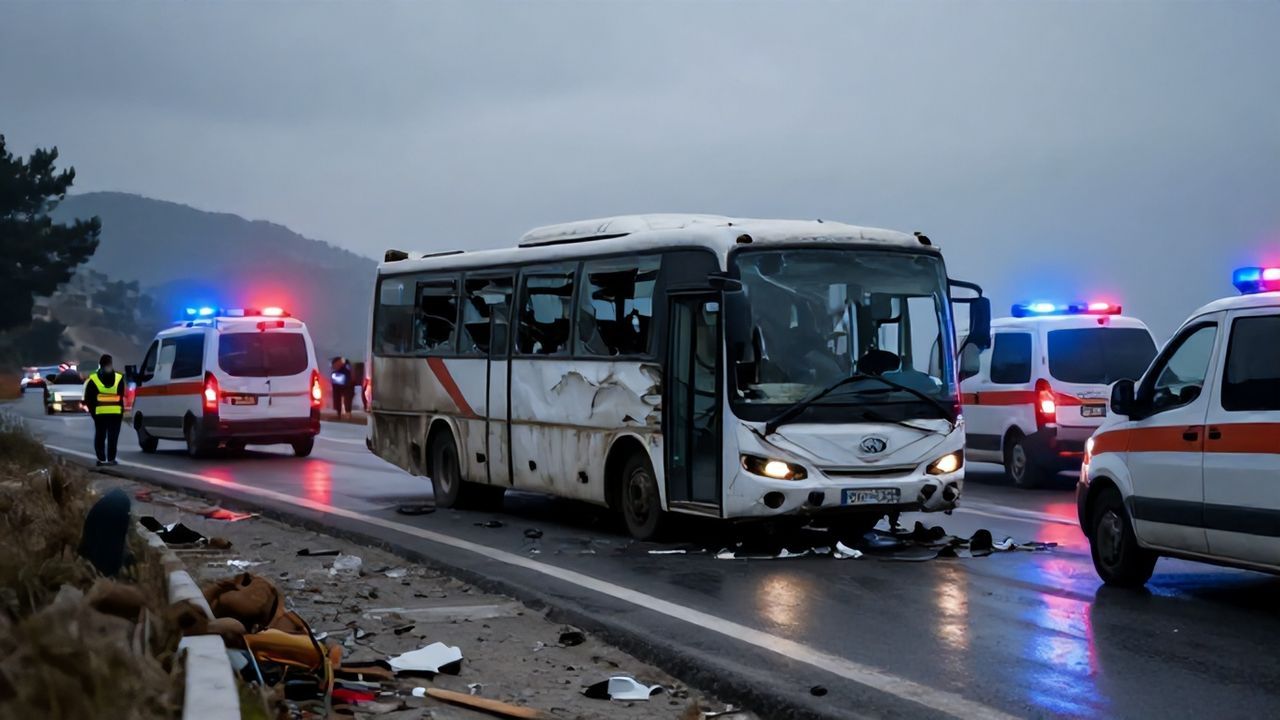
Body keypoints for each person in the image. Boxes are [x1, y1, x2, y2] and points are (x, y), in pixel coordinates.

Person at [83, 354, 124, 466]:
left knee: (100, 436)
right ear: (111, 363)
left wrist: (93, 412)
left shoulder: (93, 379)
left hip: (100, 414)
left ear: (100, 365)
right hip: (115, 414)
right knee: (113, 437)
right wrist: (121, 412)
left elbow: (88, 398)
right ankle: (111, 459)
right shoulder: (119, 378)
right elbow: (121, 397)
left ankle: (101, 459)